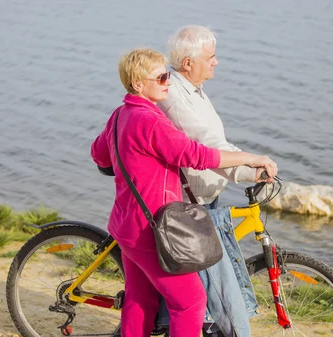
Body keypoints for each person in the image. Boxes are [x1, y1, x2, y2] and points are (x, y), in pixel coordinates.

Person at [90, 48, 277, 337]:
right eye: (162, 76)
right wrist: (249, 158)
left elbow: (100, 155)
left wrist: (131, 161)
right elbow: (197, 156)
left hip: (126, 226)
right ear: (139, 84)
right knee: (190, 303)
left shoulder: (120, 115)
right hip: (152, 230)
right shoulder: (151, 122)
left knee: (141, 300)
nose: (169, 81)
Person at [158, 25, 263, 210]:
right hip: (189, 203)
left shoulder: (194, 90)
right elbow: (205, 143)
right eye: (210, 58)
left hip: (205, 197)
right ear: (188, 63)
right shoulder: (173, 96)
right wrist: (250, 170)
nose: (216, 62)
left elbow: (216, 139)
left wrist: (249, 163)